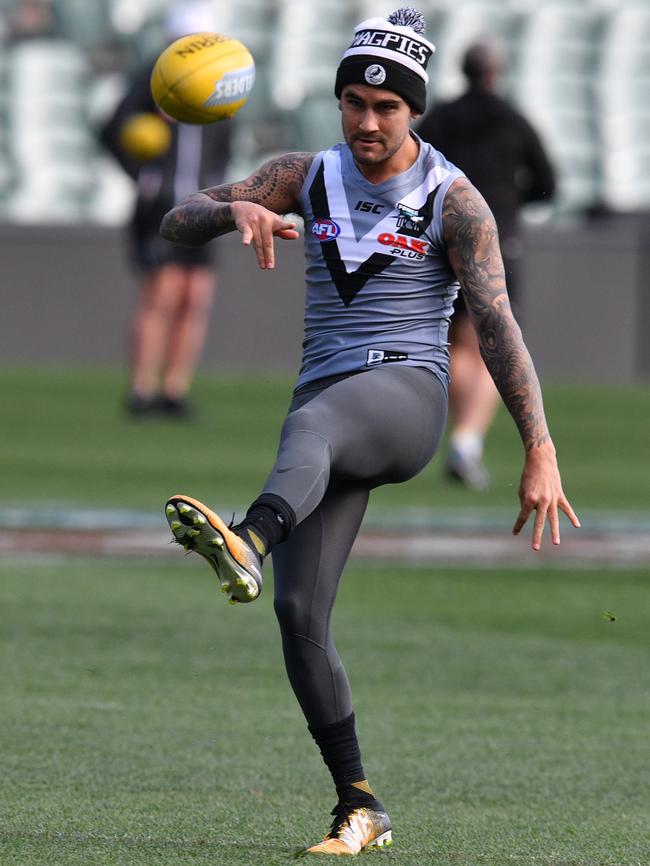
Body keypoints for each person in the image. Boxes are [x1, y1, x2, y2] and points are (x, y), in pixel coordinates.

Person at [160, 8, 579, 855]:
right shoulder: (304, 173)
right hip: (326, 417)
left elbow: (497, 327)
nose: (367, 121)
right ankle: (359, 803)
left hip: (404, 400)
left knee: (313, 425)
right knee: (299, 615)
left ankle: (248, 535)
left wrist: (540, 447)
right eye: (354, 102)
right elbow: (177, 218)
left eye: (387, 108)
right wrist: (231, 213)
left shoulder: (454, 200)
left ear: (415, 111)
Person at [418, 40, 556, 489]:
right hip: (497, 237)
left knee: (459, 343)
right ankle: (466, 440)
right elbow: (548, 182)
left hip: (446, 236)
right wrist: (512, 197)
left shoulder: (440, 117)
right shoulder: (511, 119)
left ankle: (461, 438)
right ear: (496, 72)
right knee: (494, 337)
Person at [100, 1, 232, 418]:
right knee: (161, 292)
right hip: (160, 207)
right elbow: (111, 131)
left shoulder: (220, 88)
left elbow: (223, 144)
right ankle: (142, 388)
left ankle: (174, 388)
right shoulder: (151, 83)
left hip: (204, 207)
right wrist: (143, 177)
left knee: (195, 295)